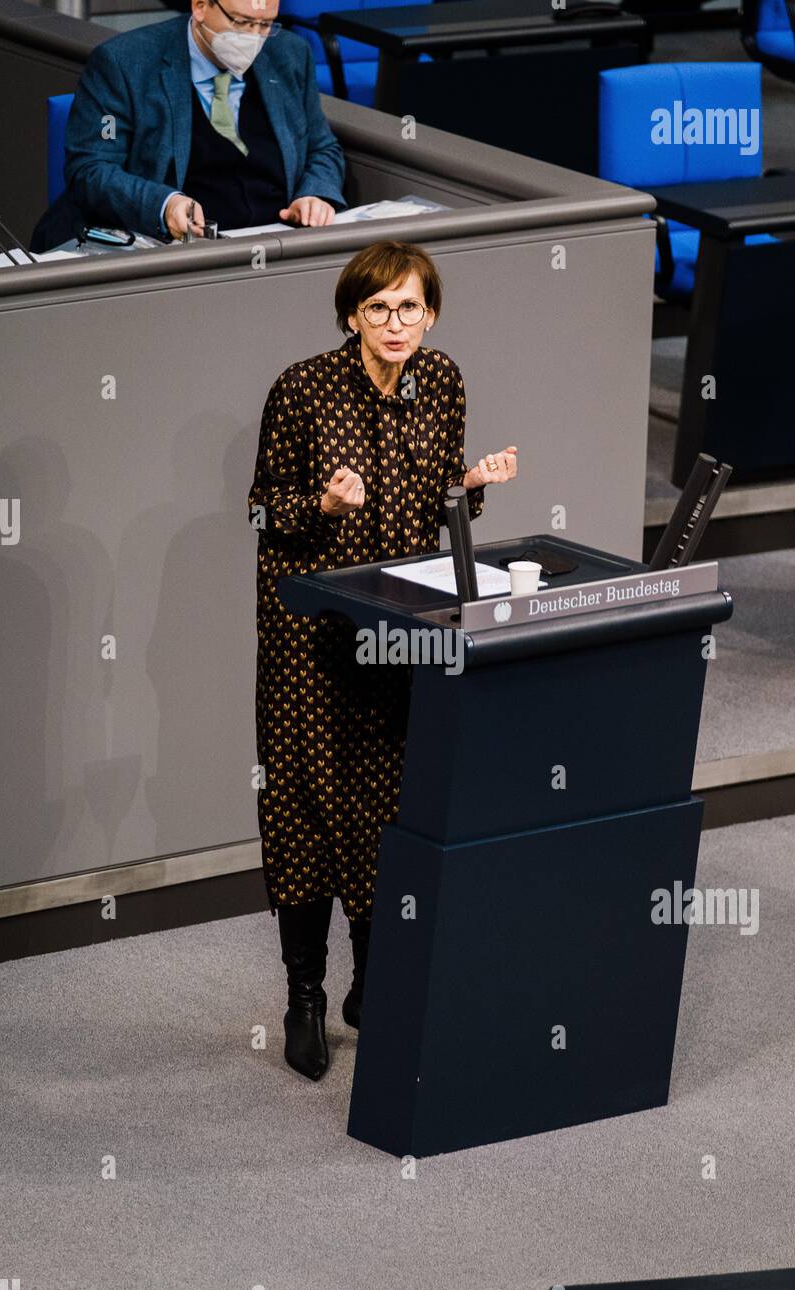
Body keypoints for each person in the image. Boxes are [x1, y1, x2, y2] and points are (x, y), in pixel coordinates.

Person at [248, 240, 518, 1081]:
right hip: (310, 638)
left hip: (396, 629)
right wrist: (321, 502)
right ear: (352, 316)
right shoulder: (302, 388)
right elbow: (263, 512)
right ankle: (304, 996)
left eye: (410, 307)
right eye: (378, 309)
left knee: (381, 804)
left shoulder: (443, 380)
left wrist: (470, 484)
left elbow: (437, 496)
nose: (396, 324)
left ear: (430, 312)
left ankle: (373, 983)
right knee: (300, 812)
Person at [30, 0, 345, 252]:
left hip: (275, 245)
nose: (254, 37)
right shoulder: (123, 64)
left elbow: (322, 147)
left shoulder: (289, 54)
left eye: (265, 24)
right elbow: (92, 168)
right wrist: (165, 206)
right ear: (200, 6)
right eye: (241, 22)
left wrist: (315, 194)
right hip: (176, 252)